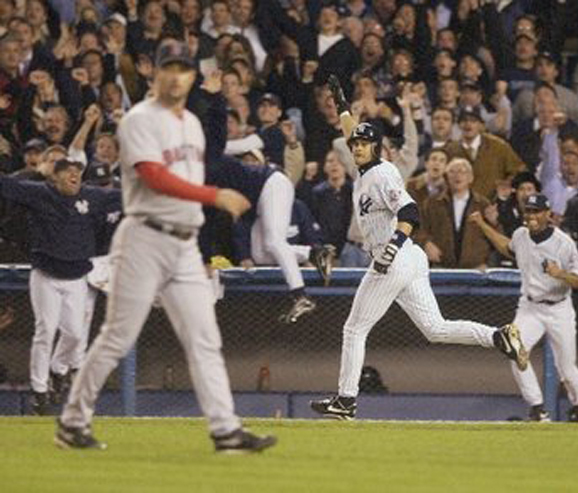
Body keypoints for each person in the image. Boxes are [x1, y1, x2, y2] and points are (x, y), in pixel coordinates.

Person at [55, 40, 276, 454]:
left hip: (185, 244)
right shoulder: (139, 119)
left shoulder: (192, 123)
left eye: (183, 68)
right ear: (154, 73)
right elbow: (154, 176)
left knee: (204, 338)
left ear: (192, 75)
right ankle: (72, 421)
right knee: (118, 337)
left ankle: (226, 430)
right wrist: (215, 196)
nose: (176, 75)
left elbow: (190, 183)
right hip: (144, 237)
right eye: (168, 67)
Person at [309, 75, 528, 420]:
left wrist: (392, 248)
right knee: (435, 328)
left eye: (365, 144)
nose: (358, 147)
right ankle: (498, 337)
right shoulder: (363, 167)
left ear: (376, 147)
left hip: (394, 255)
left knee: (354, 328)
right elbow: (350, 128)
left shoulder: (381, 174)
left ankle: (346, 400)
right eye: (356, 144)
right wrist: (341, 104)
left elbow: (409, 211)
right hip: (409, 259)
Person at [0, 159, 121, 415]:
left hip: (77, 277)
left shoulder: (92, 195)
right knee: (45, 332)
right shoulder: (40, 193)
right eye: (68, 171)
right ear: (54, 178)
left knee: (75, 334)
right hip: (45, 275)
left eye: (77, 171)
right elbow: (7, 185)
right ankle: (40, 391)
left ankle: (57, 369)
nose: (74, 174)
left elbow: (126, 196)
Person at [470, 193, 578, 422]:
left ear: (548, 215)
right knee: (515, 350)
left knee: (566, 369)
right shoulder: (521, 234)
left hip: (559, 308)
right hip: (530, 307)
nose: (531, 216)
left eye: (536, 211)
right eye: (529, 211)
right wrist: (483, 224)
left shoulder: (564, 243)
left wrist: (560, 274)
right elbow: (508, 248)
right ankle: (537, 407)